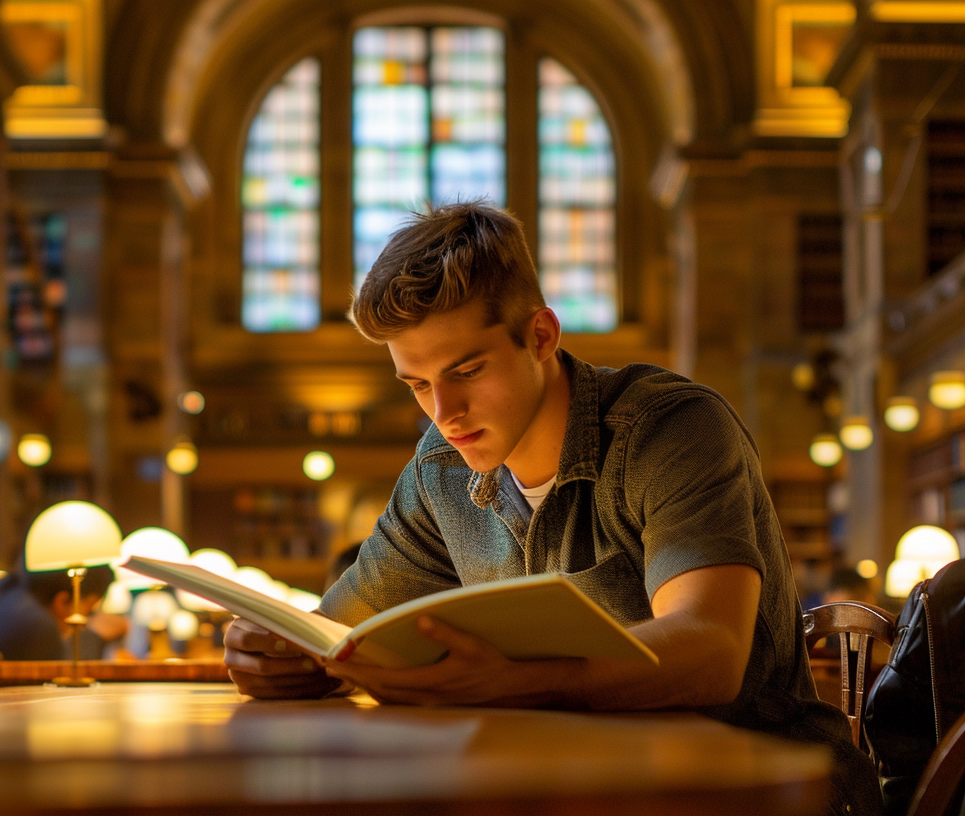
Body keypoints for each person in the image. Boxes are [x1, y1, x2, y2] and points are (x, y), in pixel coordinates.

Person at [221, 201, 881, 816]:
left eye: (467, 371)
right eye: (418, 385)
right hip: (578, 786)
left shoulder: (672, 428)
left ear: (540, 335)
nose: (444, 414)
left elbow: (710, 650)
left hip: (764, 791)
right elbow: (341, 631)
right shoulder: (440, 470)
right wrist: (283, 651)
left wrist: (515, 682)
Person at [0, 562, 125, 660]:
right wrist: (96, 637)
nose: (86, 620)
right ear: (62, 600)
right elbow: (63, 687)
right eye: (89, 608)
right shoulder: (38, 625)